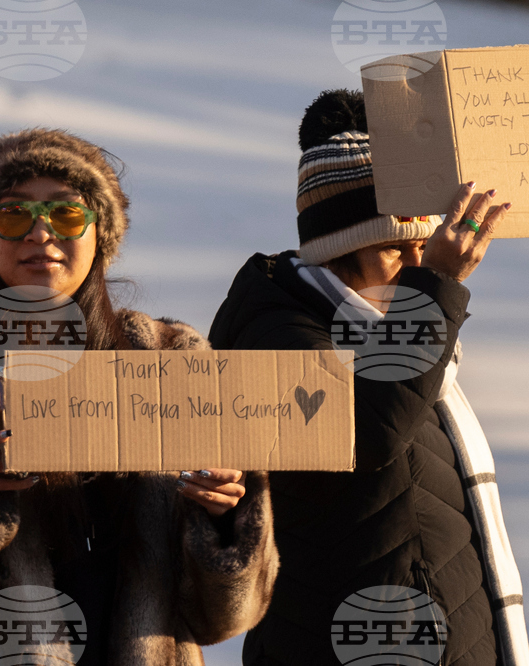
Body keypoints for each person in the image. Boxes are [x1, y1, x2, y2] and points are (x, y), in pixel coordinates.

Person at [0, 128, 279, 665]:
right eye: (13, 215)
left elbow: (224, 618)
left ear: (102, 234)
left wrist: (222, 516)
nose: (40, 233)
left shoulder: (170, 360)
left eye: (68, 216)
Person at [209, 90, 527, 665]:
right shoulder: (278, 330)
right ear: (334, 253)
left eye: (424, 249)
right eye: (393, 250)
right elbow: (362, 434)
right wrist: (434, 292)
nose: (415, 268)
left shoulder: (396, 337)